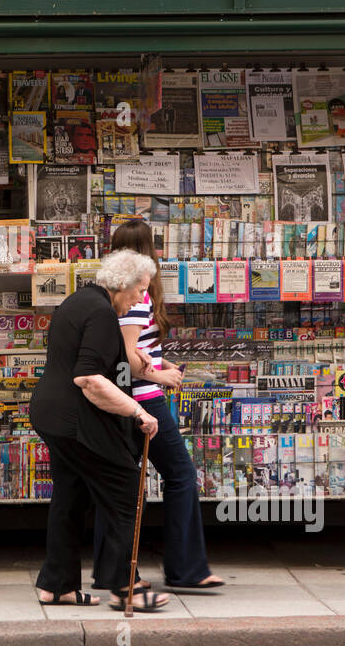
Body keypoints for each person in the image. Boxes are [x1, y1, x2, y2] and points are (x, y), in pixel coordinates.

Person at [31, 249, 168, 612]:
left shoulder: (79, 300)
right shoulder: (103, 314)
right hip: (76, 421)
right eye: (140, 290)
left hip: (50, 416)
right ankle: (125, 586)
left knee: (70, 495)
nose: (143, 298)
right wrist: (139, 411)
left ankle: (57, 586)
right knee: (125, 487)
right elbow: (89, 379)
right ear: (122, 285)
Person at [93, 219, 222, 590]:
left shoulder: (114, 289)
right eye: (155, 245)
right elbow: (127, 354)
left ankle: (111, 571)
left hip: (124, 401)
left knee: (122, 485)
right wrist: (159, 376)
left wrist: (160, 361)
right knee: (181, 476)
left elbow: (137, 349)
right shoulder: (139, 294)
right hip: (143, 401)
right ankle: (187, 569)